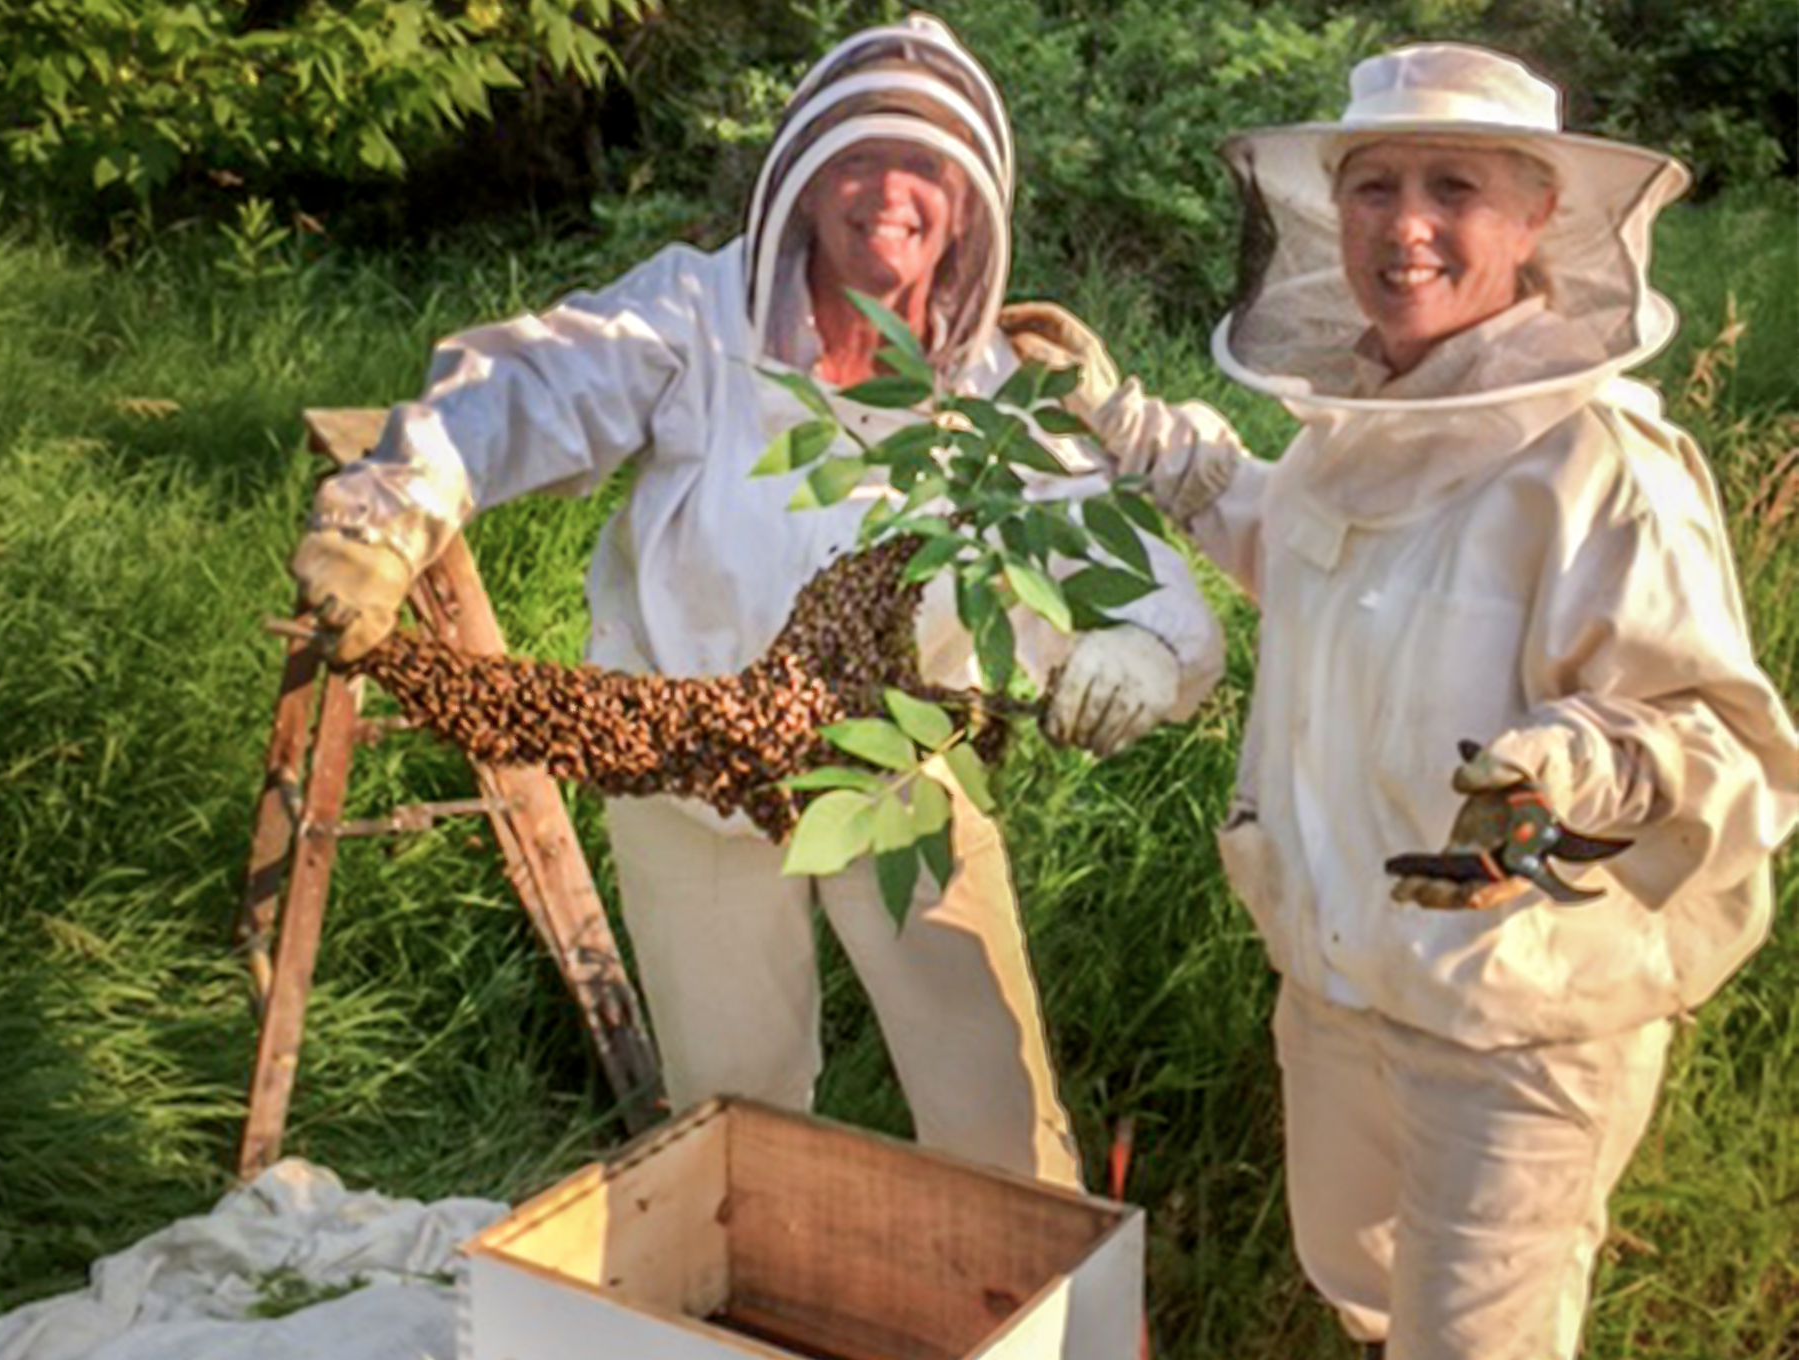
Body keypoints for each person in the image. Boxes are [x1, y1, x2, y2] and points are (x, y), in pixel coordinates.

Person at [286, 15, 1226, 1188]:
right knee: (733, 1110)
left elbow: (1125, 561)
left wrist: (1143, 648)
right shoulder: (691, 315)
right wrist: (390, 511)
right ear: (801, 176)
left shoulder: (997, 393)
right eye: (857, 160)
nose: (887, 194)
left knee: (988, 1094)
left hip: (897, 767)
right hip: (682, 764)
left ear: (971, 199)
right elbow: (537, 381)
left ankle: (1042, 1326)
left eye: (924, 166)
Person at [1004, 42, 1799, 1360]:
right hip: (1334, 985)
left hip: (1513, 1021)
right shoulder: (1348, 429)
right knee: (1357, 1286)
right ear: (1330, 209)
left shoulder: (1595, 461)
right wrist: (1128, 426)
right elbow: (1302, 553)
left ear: (1534, 214)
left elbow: (1720, 742)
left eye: (1452, 187)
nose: (1404, 224)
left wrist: (1564, 761)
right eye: (1373, 185)